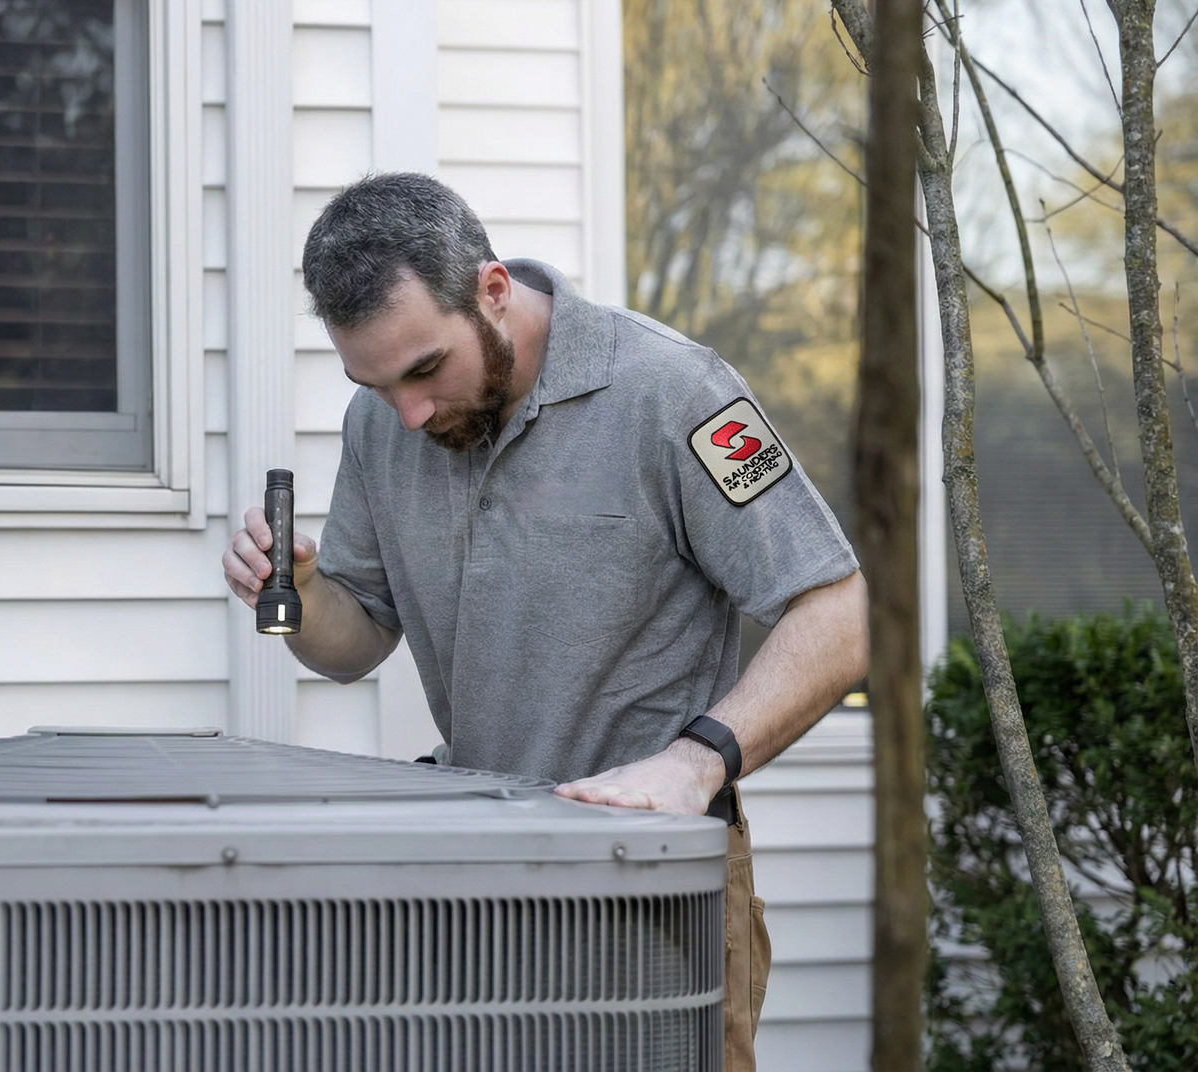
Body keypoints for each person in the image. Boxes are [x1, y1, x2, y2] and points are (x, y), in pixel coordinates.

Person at [223, 173, 868, 1070]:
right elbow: (356, 638)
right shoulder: (382, 424)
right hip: (477, 880)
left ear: (492, 291)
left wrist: (695, 763)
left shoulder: (676, 393)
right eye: (373, 383)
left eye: (423, 371)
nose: (407, 414)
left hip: (651, 880)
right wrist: (294, 595)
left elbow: (838, 610)